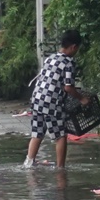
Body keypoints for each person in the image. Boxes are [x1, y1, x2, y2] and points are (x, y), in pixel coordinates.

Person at [24, 29, 83, 170]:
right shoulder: (68, 63)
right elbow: (68, 87)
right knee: (60, 135)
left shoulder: (50, 58)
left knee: (37, 133)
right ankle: (60, 168)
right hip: (51, 102)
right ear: (73, 47)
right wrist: (82, 99)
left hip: (37, 99)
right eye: (77, 49)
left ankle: (28, 163)